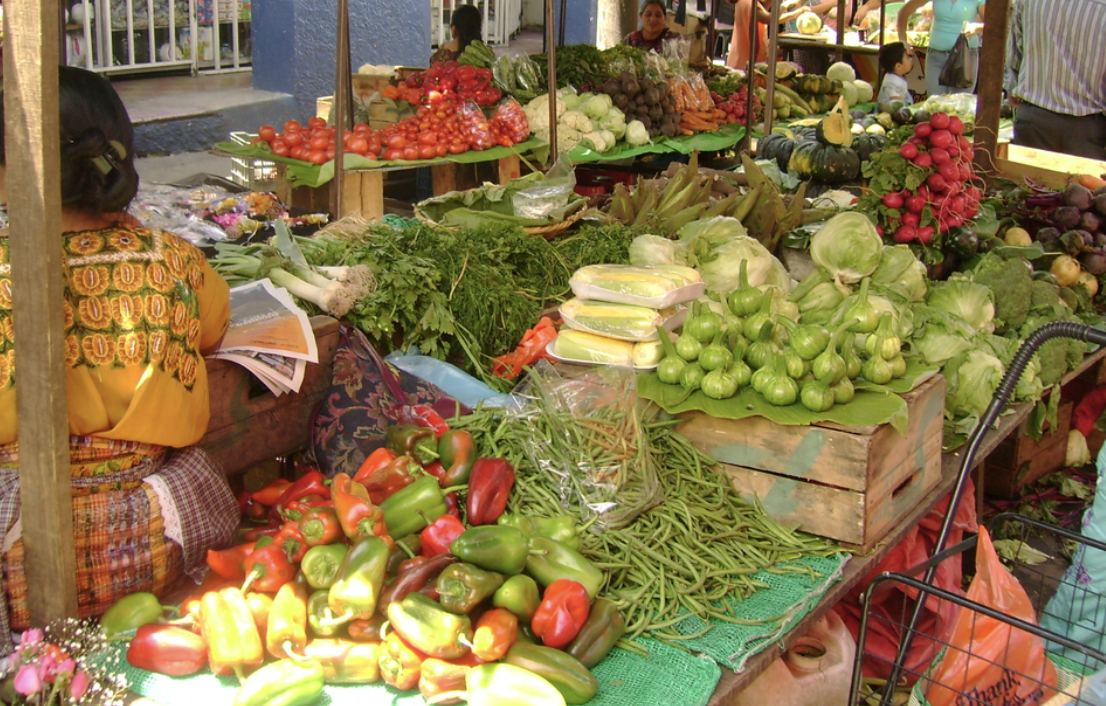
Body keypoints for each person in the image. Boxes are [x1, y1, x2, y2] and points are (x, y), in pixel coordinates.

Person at [0, 66, 239, 649]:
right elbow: (214, 330)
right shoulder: (175, 261)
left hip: (18, 553)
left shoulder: (7, 272)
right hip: (151, 542)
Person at [1004, 0, 1106, 160]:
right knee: (1083, 184)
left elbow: (1016, 53)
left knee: (1029, 182)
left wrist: (1013, 88)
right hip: (1085, 129)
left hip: (1034, 119)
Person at [896, 0, 984, 97]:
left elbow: (994, 25)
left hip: (965, 58)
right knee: (935, 104)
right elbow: (904, 11)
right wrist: (903, 40)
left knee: (958, 106)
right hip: (936, 56)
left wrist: (976, 28)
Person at [727, 0, 805, 71]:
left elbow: (771, 17)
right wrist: (785, 4)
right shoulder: (748, 3)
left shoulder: (750, 2)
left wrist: (795, 14)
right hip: (744, 62)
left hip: (742, 59)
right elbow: (770, 19)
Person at [877, 41, 915, 106]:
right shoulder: (891, 82)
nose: (911, 59)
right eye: (908, 58)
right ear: (898, 66)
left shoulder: (895, 77)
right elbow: (896, 103)